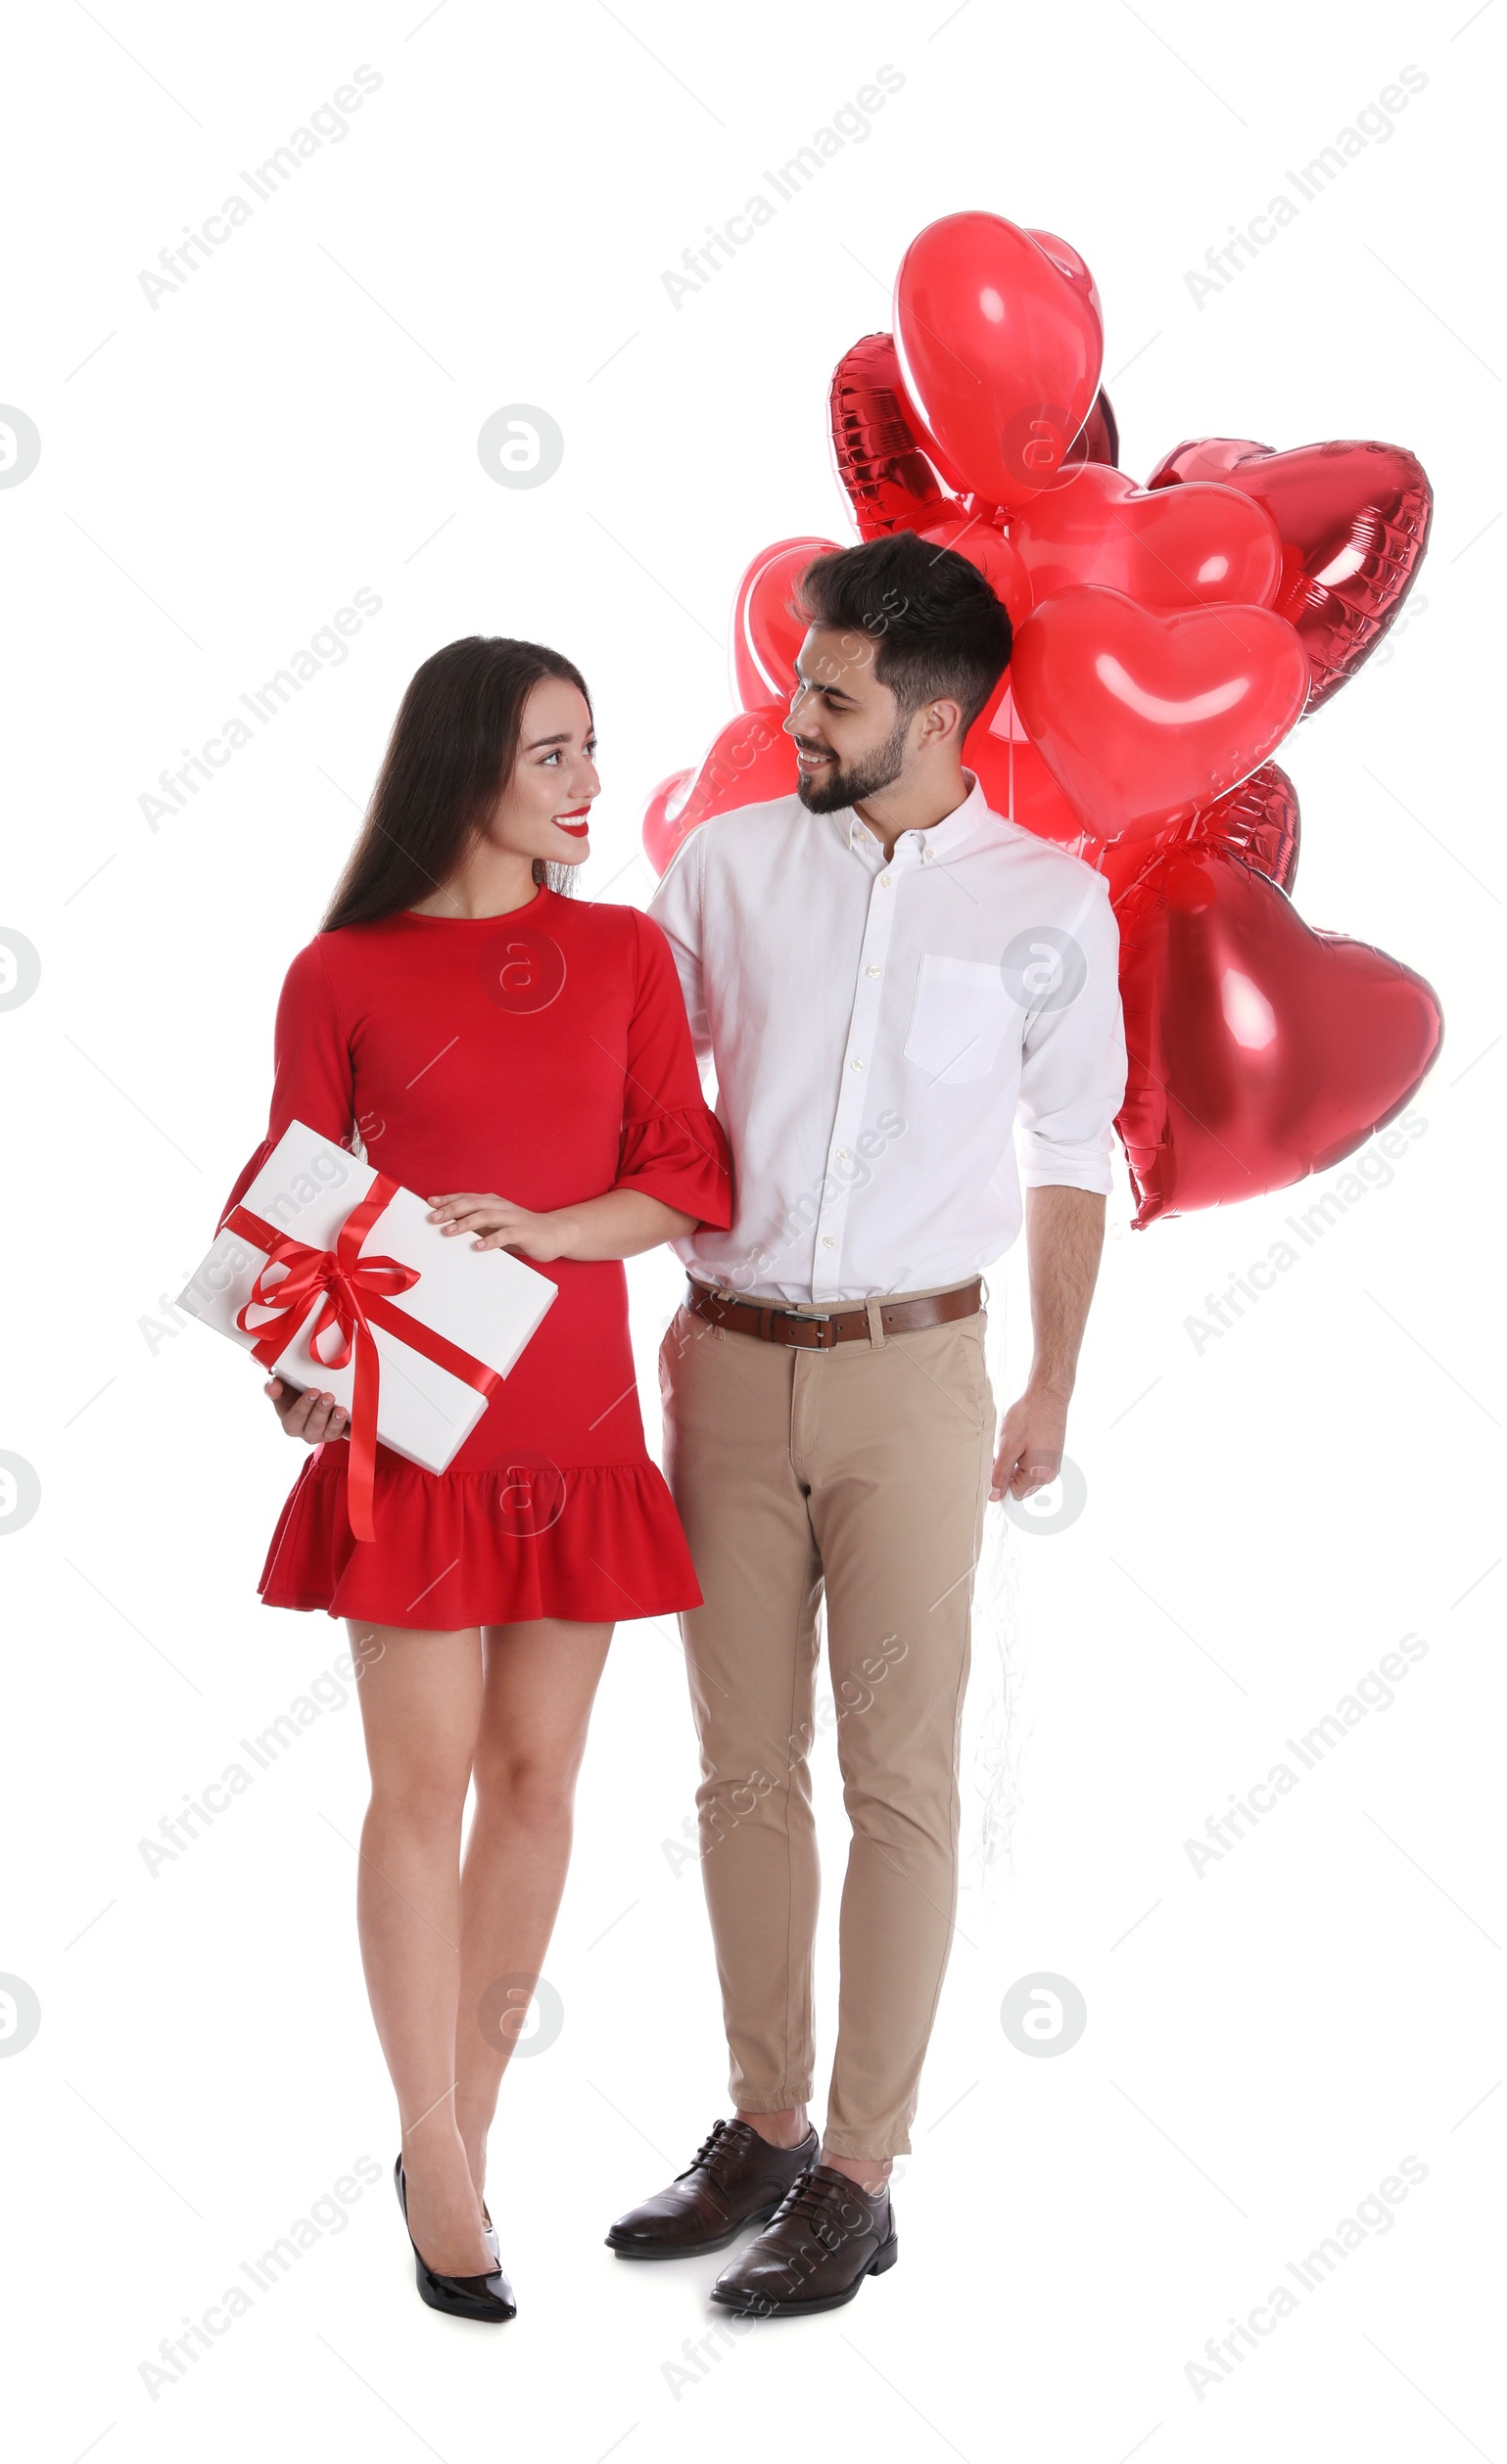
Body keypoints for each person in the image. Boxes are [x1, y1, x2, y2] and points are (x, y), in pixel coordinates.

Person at [606, 532, 1126, 2314]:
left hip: (920, 1374)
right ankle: (757, 2125)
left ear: (936, 709)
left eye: (830, 690)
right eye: (798, 678)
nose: (795, 710)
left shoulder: (1049, 905)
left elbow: (1074, 1149)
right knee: (739, 1769)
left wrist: (1053, 1376)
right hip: (725, 1364)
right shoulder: (728, 865)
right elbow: (623, 1092)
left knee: (899, 1779)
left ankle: (859, 2168)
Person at [228, 637, 731, 2322]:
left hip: (577, 1429)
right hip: (415, 1440)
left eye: (594, 750)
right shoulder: (340, 974)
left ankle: (477, 2124)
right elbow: (292, 1213)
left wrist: (544, 1230)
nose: (589, 784)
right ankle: (429, 2149)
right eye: (553, 755)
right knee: (417, 1783)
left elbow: (684, 1172)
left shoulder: (624, 954)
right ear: (470, 772)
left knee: (535, 1783)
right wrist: (303, 1372)